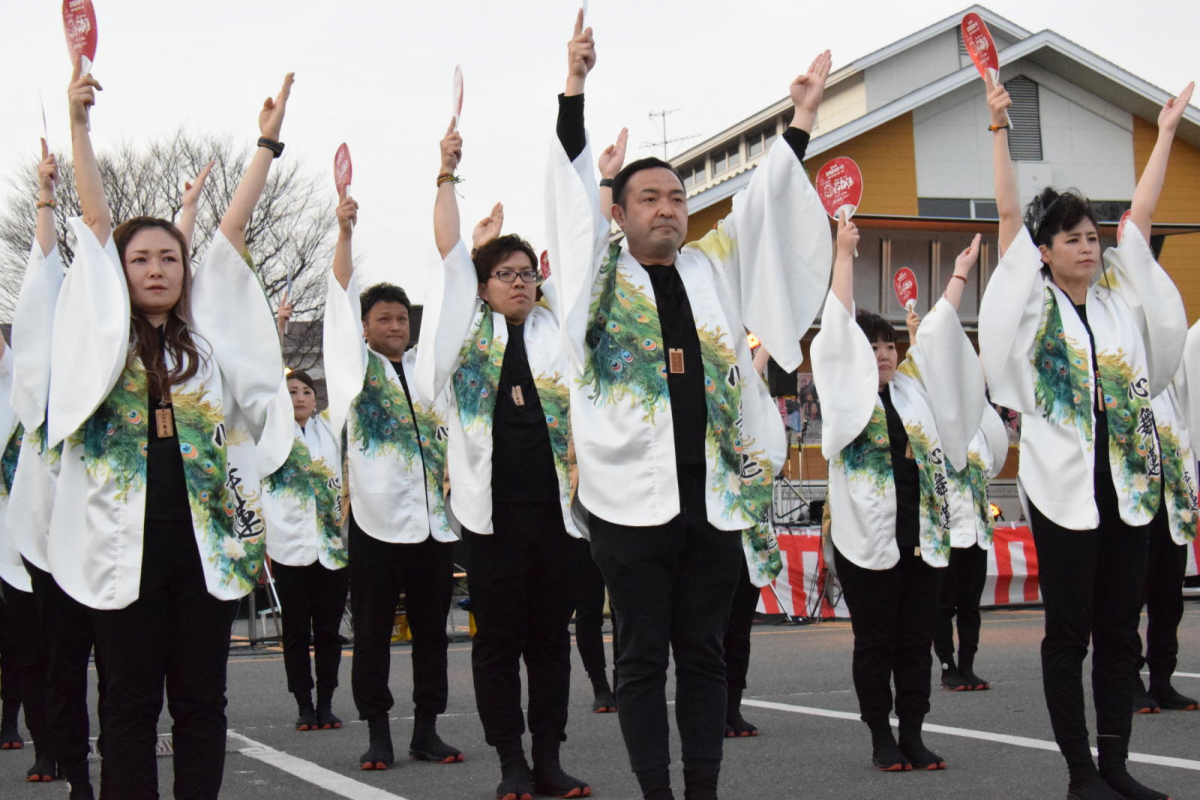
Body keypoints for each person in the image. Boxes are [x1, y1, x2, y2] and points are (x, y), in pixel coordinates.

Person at [545, 12, 831, 799]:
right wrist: (574, 86)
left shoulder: (712, 270)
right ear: (619, 211)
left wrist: (801, 119)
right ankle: (656, 792)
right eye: (649, 198)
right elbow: (567, 204)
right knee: (641, 658)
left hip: (713, 500)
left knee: (703, 654)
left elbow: (765, 205)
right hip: (627, 503)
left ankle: (701, 789)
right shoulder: (596, 280)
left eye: (676, 197)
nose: (667, 208)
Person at [47, 63, 290, 799]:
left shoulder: (207, 348)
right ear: (117, 272)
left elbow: (230, 232)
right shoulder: (102, 343)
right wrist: (80, 125)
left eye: (169, 258)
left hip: (203, 548)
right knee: (126, 703)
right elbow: (95, 222)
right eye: (139, 259)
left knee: (201, 702)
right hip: (123, 546)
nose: (156, 269)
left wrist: (265, 145)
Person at [978, 73, 1193, 800]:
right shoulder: (1033, 307)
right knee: (1069, 633)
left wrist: (1167, 132)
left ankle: (1116, 766)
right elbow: (1010, 213)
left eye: (1092, 237)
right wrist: (1000, 127)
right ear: (1044, 251)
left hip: (1126, 486)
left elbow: (1143, 214)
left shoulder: (1115, 307)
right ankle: (1079, 772)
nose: (1088, 247)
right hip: (1064, 491)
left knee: (1120, 632)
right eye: (1071, 238)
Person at [415, 120, 590, 800]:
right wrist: (447, 173)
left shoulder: (557, 335)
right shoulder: (467, 336)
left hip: (557, 515)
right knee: (497, 643)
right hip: (491, 519)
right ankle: (510, 761)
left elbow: (582, 259)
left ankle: (548, 758)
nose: (519, 283)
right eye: (504, 275)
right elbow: (448, 253)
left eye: (527, 274)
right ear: (483, 286)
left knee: (550, 641)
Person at [813, 217, 983, 772]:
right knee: (876, 643)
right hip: (867, 544)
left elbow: (934, 335)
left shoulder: (913, 393)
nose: (883, 355)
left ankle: (913, 732)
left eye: (888, 346)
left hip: (922, 540)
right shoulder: (847, 399)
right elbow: (836, 328)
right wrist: (844, 253)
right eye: (872, 347)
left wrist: (958, 276)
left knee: (915, 643)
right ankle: (879, 737)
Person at [322, 184, 461, 771]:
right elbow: (338, 296)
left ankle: (427, 730)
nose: (396, 325)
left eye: (403, 318)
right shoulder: (354, 370)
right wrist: (345, 234)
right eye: (384, 318)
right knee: (374, 633)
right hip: (376, 523)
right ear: (363, 327)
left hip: (433, 525)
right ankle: (378, 733)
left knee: (433, 633)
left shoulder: (429, 373)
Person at [906, 281, 1010, 693]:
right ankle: (948, 665)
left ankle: (968, 665)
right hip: (946, 530)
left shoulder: (982, 426)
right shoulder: (934, 416)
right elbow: (919, 378)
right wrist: (915, 335)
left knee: (970, 605)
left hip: (978, 532)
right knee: (941, 605)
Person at [258, 360, 350, 732]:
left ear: (315, 400)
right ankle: (303, 704)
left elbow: (346, 388)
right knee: (296, 633)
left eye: (307, 392)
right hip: (289, 549)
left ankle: (326, 702)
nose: (300, 397)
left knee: (329, 633)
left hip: (329, 548)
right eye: (292, 392)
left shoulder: (327, 430)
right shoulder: (270, 435)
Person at [1130, 321, 1200, 713]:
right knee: (1127, 600)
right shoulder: (1124, 379)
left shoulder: (1173, 385)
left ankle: (1162, 679)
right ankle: (1127, 679)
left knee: (1168, 601)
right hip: (1134, 507)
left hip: (1172, 505)